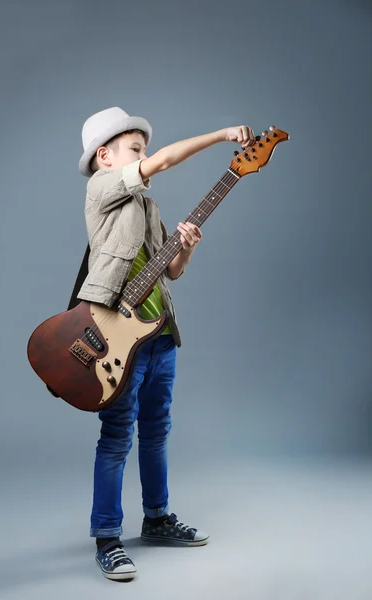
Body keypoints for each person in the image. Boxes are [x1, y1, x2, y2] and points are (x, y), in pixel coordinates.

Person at [76, 106, 255, 581]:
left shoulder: (148, 208)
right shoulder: (101, 191)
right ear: (104, 156)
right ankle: (108, 539)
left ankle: (156, 519)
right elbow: (167, 162)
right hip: (118, 343)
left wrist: (186, 246)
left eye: (145, 149)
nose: (147, 157)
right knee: (117, 437)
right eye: (137, 150)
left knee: (156, 433)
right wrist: (220, 132)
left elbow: (169, 272)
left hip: (160, 337)